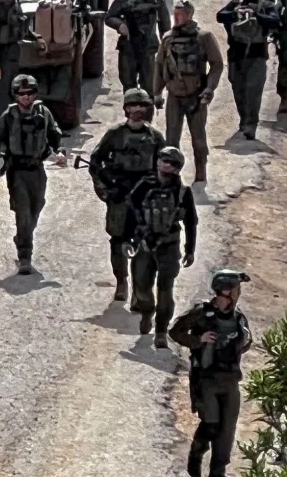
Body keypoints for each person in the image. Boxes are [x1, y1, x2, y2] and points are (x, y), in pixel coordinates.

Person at [169, 269, 253, 477]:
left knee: (226, 434)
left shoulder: (238, 317)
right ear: (226, 291)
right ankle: (196, 454)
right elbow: (175, 332)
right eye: (236, 288)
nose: (239, 293)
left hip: (230, 381)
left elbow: (245, 344)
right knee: (211, 426)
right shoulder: (201, 313)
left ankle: (217, 471)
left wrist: (242, 342)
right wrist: (199, 340)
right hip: (206, 381)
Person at [89, 89, 167, 301]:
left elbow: (166, 168)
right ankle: (121, 281)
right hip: (120, 196)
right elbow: (95, 163)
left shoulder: (155, 138)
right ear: (126, 109)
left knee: (144, 242)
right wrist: (106, 190)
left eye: (143, 106)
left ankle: (139, 288)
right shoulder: (115, 135)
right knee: (118, 240)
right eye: (133, 105)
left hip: (144, 198)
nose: (138, 110)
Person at [0, 75, 68, 274]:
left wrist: (60, 153)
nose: (26, 97)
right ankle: (25, 256)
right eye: (21, 94)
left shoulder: (43, 113)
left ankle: (23, 236)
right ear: (15, 95)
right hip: (17, 171)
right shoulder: (9, 116)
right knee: (23, 213)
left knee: (36, 207)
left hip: (37, 169)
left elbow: (55, 135)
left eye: (30, 93)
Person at [122, 146, 198, 347]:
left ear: (178, 168)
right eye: (163, 160)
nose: (166, 165)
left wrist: (190, 249)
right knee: (142, 287)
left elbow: (191, 221)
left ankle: (161, 331)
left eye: (171, 163)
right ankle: (147, 312)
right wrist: (127, 239)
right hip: (145, 244)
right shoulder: (144, 186)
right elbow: (131, 211)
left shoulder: (182, 192)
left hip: (169, 246)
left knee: (165, 290)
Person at [153, 0, 224, 184]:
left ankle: (200, 174)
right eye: (175, 13)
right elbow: (160, 65)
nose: (178, 17)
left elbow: (217, 64)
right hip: (174, 96)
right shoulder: (168, 38)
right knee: (171, 139)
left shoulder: (204, 37)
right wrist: (157, 92)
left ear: (190, 14)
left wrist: (209, 88)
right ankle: (171, 177)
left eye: (182, 13)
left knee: (198, 138)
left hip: (196, 96)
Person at [216, 0, 281, 140]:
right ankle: (244, 119)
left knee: (253, 91)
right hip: (236, 55)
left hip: (256, 55)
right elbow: (220, 16)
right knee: (238, 89)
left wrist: (256, 15)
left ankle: (251, 124)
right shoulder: (235, 4)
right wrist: (235, 13)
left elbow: (275, 21)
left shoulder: (266, 6)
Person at [106, 0, 172, 97]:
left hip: (148, 49)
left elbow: (165, 29)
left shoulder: (158, 1)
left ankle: (148, 109)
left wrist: (167, 51)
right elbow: (109, 17)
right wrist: (120, 25)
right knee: (128, 86)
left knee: (149, 87)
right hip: (128, 47)